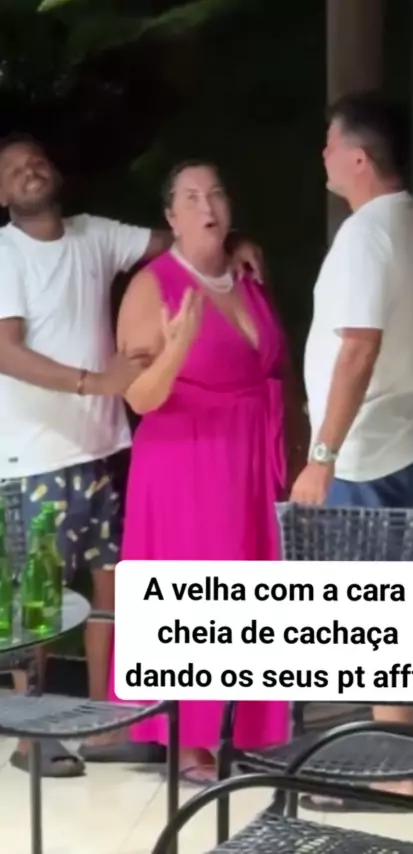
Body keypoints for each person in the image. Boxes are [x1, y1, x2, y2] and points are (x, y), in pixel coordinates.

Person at [0, 134, 263, 778]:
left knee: (114, 591)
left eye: (36, 160)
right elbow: (5, 351)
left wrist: (232, 241)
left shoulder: (94, 234)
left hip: (103, 447)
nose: (29, 171)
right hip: (31, 456)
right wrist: (95, 382)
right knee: (39, 599)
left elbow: (180, 238)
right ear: (2, 193)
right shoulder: (4, 254)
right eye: (12, 170)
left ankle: (103, 723)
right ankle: (31, 737)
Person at [292, 92, 413, 807]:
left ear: (358, 159)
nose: (324, 156)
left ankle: (389, 768)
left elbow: (358, 348)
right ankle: (393, 757)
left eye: (331, 145)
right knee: (395, 605)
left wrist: (322, 453)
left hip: (364, 452)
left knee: (372, 612)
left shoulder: (366, 236)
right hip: (410, 434)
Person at [107, 160, 296, 784]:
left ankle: (248, 727)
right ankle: (188, 738)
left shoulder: (246, 273)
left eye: (215, 193)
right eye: (190, 197)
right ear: (171, 216)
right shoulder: (152, 286)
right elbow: (139, 397)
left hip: (250, 452)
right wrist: (180, 345)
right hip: (187, 457)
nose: (206, 205)